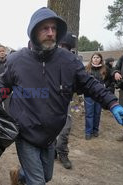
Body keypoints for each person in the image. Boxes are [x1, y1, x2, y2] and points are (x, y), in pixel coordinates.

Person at [0, 7, 123, 185]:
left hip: (51, 133)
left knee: (47, 176)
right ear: (33, 31)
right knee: (38, 182)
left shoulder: (68, 61)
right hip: (25, 131)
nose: (51, 33)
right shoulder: (17, 60)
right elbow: (4, 84)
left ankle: (20, 175)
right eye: (45, 28)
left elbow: (91, 85)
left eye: (53, 28)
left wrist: (113, 104)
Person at [54, 32, 77, 169]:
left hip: (65, 100)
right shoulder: (50, 57)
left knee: (65, 128)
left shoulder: (74, 60)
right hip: (49, 99)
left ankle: (62, 152)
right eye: (61, 45)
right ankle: (51, 152)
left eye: (66, 46)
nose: (63, 49)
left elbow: (80, 80)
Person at [84, 52, 110, 140]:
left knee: (97, 113)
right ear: (91, 59)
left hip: (100, 95)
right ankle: (88, 132)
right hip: (89, 95)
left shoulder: (105, 69)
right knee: (89, 114)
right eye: (94, 57)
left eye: (98, 57)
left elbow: (110, 80)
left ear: (101, 59)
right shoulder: (86, 69)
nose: (95, 59)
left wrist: (105, 85)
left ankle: (95, 130)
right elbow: (82, 81)